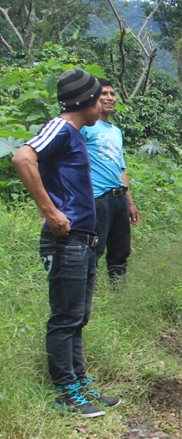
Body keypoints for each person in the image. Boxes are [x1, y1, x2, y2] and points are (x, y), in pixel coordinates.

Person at [12, 69, 121, 416]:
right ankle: (65, 393)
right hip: (66, 240)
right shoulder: (59, 128)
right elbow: (22, 158)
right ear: (87, 101)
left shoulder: (75, 134)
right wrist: (51, 211)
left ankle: (79, 382)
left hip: (83, 239)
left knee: (78, 315)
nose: (102, 102)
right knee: (65, 317)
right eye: (97, 97)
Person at [82, 80, 140, 281]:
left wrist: (130, 202)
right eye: (104, 94)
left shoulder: (115, 131)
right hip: (97, 198)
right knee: (94, 248)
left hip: (119, 198)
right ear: (94, 99)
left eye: (112, 94)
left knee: (121, 248)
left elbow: (120, 168)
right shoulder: (86, 127)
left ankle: (118, 291)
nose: (110, 98)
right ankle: (89, 292)